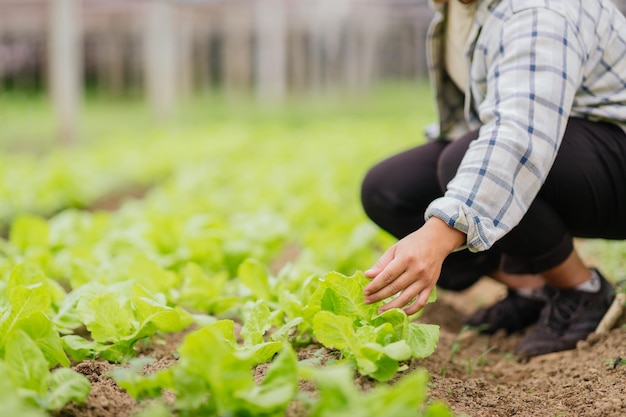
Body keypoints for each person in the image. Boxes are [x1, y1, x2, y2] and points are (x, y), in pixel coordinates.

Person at [360, 0, 626, 359]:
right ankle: (535, 289)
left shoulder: (540, 11)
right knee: (391, 187)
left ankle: (584, 291)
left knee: (463, 160)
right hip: (575, 143)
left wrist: (438, 234)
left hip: (614, 160)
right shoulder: (456, 7)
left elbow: (519, 136)